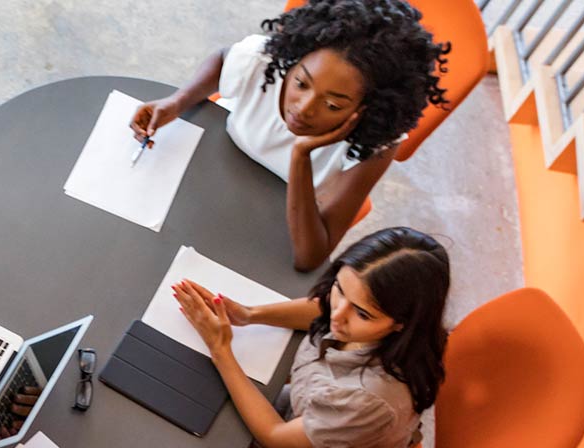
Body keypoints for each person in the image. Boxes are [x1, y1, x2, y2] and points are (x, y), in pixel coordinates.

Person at [130, 0, 450, 270]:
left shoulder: (373, 147)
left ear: (366, 109)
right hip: (207, 177)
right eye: (301, 83)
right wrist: (177, 101)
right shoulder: (263, 60)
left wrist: (301, 155)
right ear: (294, 61)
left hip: (266, 224)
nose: (305, 108)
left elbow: (309, 258)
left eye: (332, 104)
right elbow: (223, 58)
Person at [172, 227, 449, 448]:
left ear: (402, 324)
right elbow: (322, 309)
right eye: (340, 289)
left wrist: (220, 350)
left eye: (362, 313)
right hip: (304, 419)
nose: (337, 315)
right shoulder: (362, 318)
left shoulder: (369, 398)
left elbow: (276, 438)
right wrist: (250, 314)